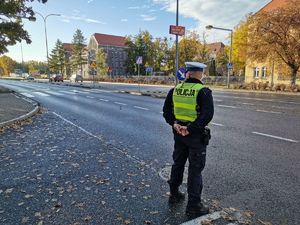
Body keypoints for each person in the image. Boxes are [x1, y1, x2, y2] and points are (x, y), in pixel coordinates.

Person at [163, 62, 214, 217]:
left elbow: (166, 111)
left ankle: (174, 194)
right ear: (197, 74)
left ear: (187, 74)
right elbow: (207, 115)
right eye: (202, 73)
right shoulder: (203, 91)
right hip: (195, 136)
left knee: (178, 163)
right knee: (195, 169)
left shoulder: (175, 90)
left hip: (178, 134)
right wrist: (190, 129)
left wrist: (175, 123)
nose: (203, 75)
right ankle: (193, 206)